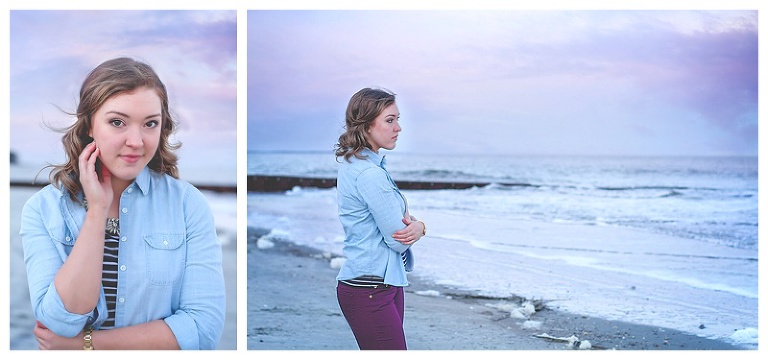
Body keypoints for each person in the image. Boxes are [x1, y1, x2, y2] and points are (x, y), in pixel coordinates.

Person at [19, 57, 226, 350]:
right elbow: (61, 323)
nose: (136, 141)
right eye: (118, 122)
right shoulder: (43, 210)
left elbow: (202, 330)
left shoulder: (187, 205)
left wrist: (86, 345)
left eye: (150, 124)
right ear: (90, 124)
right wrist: (97, 213)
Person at [333, 87, 427, 350]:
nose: (398, 128)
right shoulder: (369, 174)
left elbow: (393, 224)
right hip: (370, 289)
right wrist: (419, 227)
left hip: (381, 283)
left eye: (398, 119)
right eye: (389, 120)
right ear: (366, 123)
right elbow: (398, 239)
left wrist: (414, 224)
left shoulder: (362, 166)